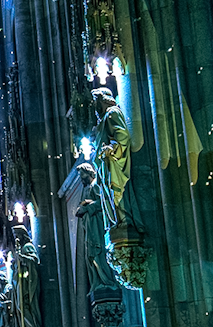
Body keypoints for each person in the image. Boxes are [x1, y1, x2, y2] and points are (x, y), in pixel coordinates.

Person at [75, 163, 119, 293]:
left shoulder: (95, 186)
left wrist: (87, 207)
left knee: (98, 253)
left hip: (97, 227)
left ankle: (107, 281)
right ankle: (97, 282)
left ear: (89, 173)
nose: (81, 178)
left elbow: (105, 202)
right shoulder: (87, 189)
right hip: (90, 227)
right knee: (91, 256)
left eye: (82, 174)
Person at [92, 88, 131, 227]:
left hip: (112, 162)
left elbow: (122, 135)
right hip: (105, 164)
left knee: (115, 192)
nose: (94, 106)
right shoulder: (103, 119)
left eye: (96, 101)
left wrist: (112, 148)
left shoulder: (112, 112)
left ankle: (123, 221)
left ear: (102, 100)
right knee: (108, 196)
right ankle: (116, 222)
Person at [12, 226, 41, 327]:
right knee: (21, 307)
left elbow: (34, 261)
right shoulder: (19, 249)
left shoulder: (27, 246)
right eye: (14, 236)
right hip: (21, 282)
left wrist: (21, 257)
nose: (16, 238)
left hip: (27, 281)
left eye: (17, 235)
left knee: (25, 306)